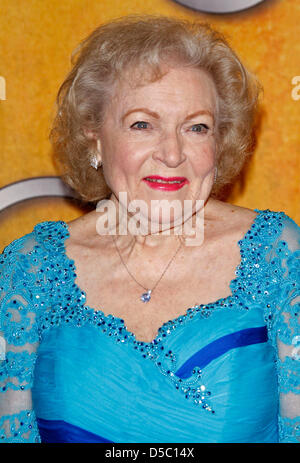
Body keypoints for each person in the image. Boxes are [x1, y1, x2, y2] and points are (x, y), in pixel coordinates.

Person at [0, 15, 299, 444]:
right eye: (143, 123)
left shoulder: (278, 253)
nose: (173, 153)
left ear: (219, 143)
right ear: (95, 139)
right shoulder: (30, 270)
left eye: (197, 127)